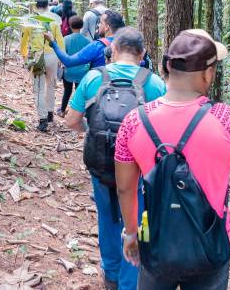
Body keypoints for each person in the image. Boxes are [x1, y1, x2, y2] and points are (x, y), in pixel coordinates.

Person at [114, 29, 230, 290]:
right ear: (208, 73)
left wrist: (131, 233)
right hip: (210, 244)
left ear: (167, 69)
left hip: (156, 244)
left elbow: (125, 188)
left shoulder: (134, 122)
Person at [66, 27, 167, 290]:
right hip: (140, 168)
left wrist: (93, 132)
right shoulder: (154, 83)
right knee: (133, 221)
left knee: (106, 217)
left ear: (112, 50)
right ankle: (128, 280)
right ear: (142, 53)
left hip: (100, 163)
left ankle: (110, 274)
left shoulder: (92, 78)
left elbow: (72, 120)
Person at [19, 0, 65, 132]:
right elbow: (59, 39)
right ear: (47, 6)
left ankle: (43, 119)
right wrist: (62, 58)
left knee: (38, 88)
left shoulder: (30, 21)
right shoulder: (54, 20)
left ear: (35, 6)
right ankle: (50, 113)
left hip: (37, 56)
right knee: (50, 84)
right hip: (52, 56)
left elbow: (24, 41)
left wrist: (24, 57)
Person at [45, 9, 124, 70]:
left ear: (107, 27)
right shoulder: (129, 45)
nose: (98, 25)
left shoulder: (97, 46)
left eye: (100, 23)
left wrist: (52, 42)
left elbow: (68, 61)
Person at [59, 15, 90, 116]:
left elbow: (62, 54)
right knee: (79, 92)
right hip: (82, 71)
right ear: (82, 26)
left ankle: (62, 110)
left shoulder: (66, 39)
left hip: (68, 70)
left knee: (67, 91)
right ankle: (77, 113)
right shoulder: (87, 41)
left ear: (70, 26)